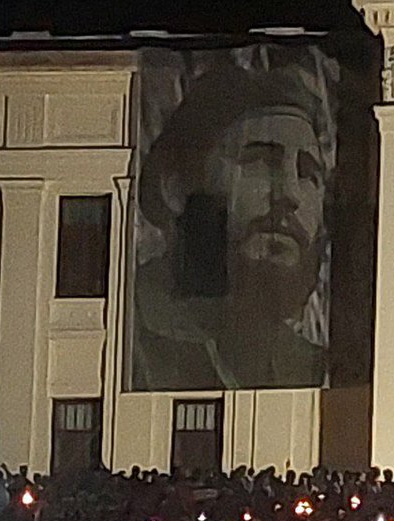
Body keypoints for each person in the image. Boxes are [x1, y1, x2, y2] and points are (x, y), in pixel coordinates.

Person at [133, 45, 338, 390]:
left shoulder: (314, 367)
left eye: (308, 173)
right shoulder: (127, 331)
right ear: (177, 187)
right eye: (259, 161)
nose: (288, 194)